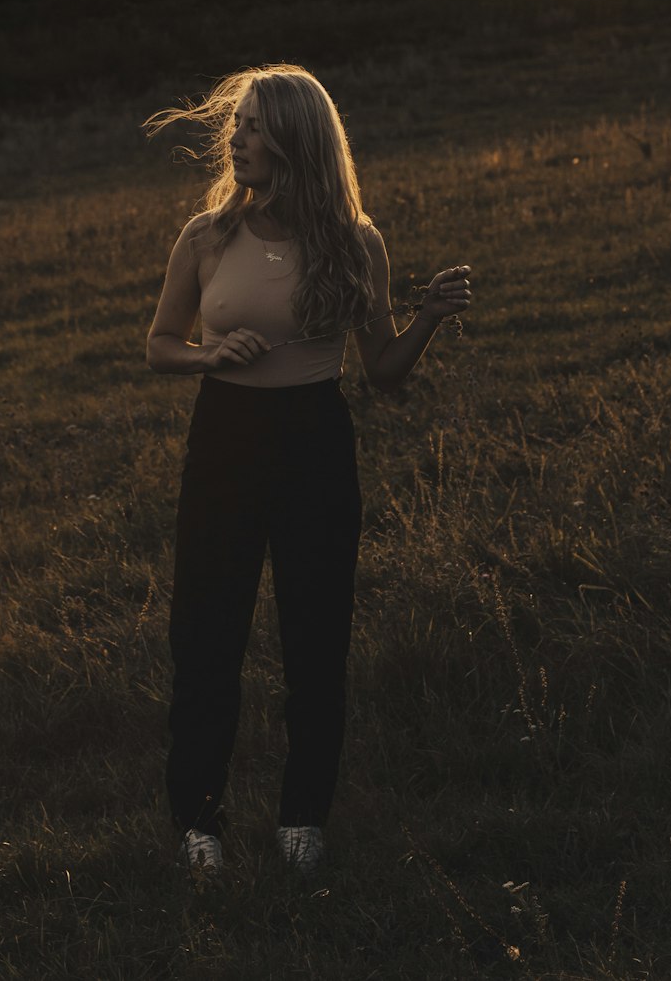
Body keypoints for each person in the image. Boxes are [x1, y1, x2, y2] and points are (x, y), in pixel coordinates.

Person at [144, 63, 472, 876]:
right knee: (207, 637)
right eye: (238, 125)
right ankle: (199, 824)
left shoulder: (355, 242)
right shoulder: (206, 236)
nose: (237, 139)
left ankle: (303, 818)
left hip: (315, 443)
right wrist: (207, 354)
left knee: (315, 639)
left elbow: (383, 372)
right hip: (223, 438)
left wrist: (426, 318)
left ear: (296, 138)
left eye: (254, 126)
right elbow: (159, 344)